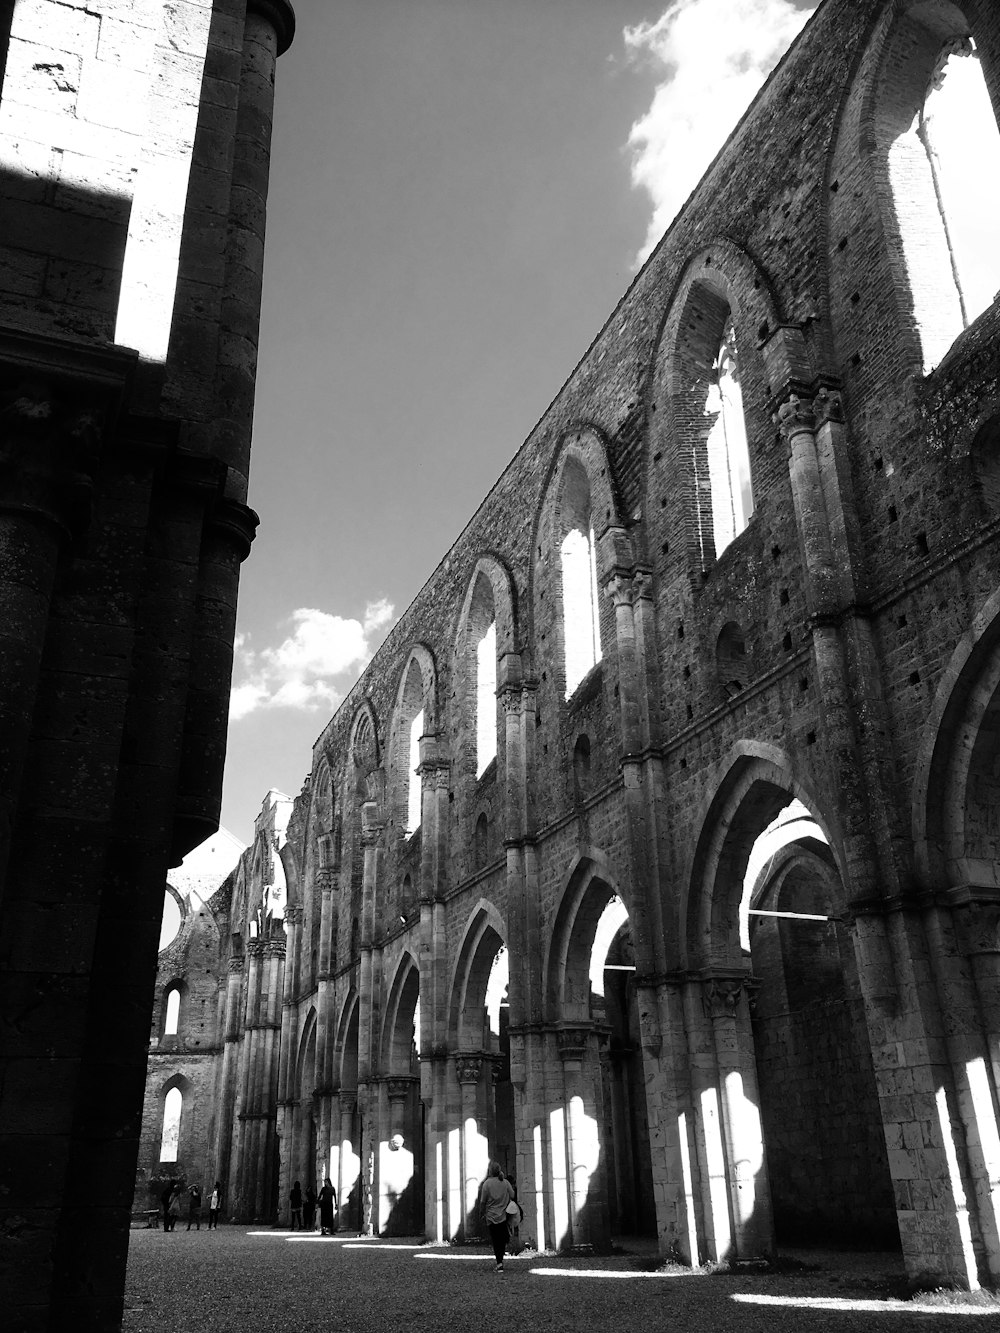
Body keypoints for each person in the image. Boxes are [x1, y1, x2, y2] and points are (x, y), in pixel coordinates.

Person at [479, 1160, 515, 1273]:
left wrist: (481, 1213)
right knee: (502, 1239)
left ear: (490, 1171)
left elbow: (483, 1202)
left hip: (491, 1216)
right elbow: (513, 1195)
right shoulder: (505, 1182)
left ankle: (499, 1262)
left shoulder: (487, 1184)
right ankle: (501, 1259)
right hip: (504, 1215)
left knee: (495, 1240)